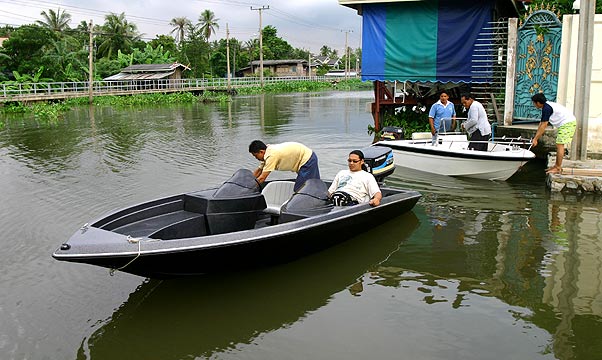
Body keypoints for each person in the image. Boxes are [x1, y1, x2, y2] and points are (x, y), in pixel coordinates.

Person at [531, 93, 577, 174]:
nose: (534, 105)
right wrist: (535, 137)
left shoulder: (547, 108)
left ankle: (558, 167)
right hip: (566, 123)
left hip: (568, 123)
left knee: (560, 145)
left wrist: (535, 139)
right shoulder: (546, 106)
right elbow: (541, 124)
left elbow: (544, 125)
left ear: (538, 102)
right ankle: (556, 166)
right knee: (559, 144)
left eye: (534, 103)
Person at [249, 140, 320, 192]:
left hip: (308, 160)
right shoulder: (267, 151)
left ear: (261, 152)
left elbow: (262, 178)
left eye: (256, 156)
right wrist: (247, 182)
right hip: (305, 159)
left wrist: (249, 188)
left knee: (301, 189)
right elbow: (259, 170)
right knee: (310, 185)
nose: (256, 158)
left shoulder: (271, 156)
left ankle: (313, 206)